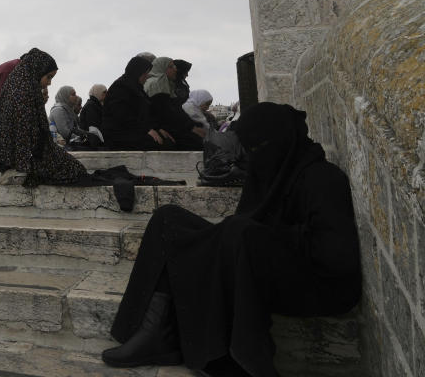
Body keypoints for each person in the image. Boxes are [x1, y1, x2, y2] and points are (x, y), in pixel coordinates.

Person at [101, 102, 361, 377]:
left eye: (257, 148)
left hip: (314, 285)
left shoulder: (323, 179)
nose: (252, 157)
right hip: (250, 260)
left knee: (240, 231)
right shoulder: (268, 172)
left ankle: (242, 357)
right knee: (168, 220)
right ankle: (156, 334)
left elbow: (335, 258)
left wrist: (266, 238)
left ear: (279, 141)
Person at [0, 48, 99, 186]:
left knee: (76, 169)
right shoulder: (24, 92)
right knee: (76, 172)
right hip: (26, 160)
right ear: (37, 70)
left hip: (17, 157)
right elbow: (27, 136)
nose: (49, 83)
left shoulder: (17, 83)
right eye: (48, 77)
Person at [102, 57, 169, 150]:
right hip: (120, 134)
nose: (146, 77)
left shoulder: (137, 88)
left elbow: (147, 113)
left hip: (134, 130)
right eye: (145, 74)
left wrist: (156, 128)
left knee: (166, 138)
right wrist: (147, 130)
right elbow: (122, 115)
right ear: (137, 72)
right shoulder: (120, 87)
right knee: (155, 143)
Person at [144, 57, 204, 150]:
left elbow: (174, 109)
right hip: (157, 126)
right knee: (194, 142)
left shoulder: (166, 83)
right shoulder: (158, 83)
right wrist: (191, 127)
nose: (175, 69)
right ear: (162, 68)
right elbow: (166, 112)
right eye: (171, 67)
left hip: (161, 125)